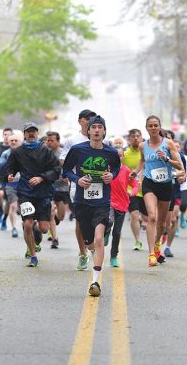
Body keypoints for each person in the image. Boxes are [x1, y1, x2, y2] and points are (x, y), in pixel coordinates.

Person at [63, 115, 120, 297]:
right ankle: (91, 247)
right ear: (88, 131)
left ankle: (95, 281)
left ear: (104, 131)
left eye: (99, 127)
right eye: (93, 127)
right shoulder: (78, 150)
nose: (96, 130)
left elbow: (117, 169)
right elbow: (65, 170)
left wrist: (112, 176)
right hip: (82, 201)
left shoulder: (110, 152)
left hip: (102, 202)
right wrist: (77, 179)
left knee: (98, 239)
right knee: (89, 245)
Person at [6, 122, 61, 267]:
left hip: (43, 193)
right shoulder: (17, 152)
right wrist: (10, 175)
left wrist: (42, 177)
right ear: (24, 134)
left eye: (34, 132)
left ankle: (37, 226)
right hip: (25, 192)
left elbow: (56, 170)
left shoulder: (46, 151)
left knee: (43, 229)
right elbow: (10, 168)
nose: (31, 134)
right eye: (28, 132)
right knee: (27, 224)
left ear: (37, 134)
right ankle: (33, 255)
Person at [132, 115, 182, 267]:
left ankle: (157, 245)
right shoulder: (143, 146)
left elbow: (179, 165)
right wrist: (136, 171)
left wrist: (166, 159)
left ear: (159, 127)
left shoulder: (168, 144)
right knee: (152, 217)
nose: (153, 128)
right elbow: (142, 160)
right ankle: (151, 254)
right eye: (150, 126)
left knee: (162, 222)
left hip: (165, 185)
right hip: (150, 183)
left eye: (155, 125)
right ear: (146, 128)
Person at [60, 109, 96, 270]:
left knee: (97, 218)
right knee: (81, 219)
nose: (90, 122)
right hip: (78, 184)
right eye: (87, 119)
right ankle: (82, 253)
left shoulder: (99, 137)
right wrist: (75, 165)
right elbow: (62, 159)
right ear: (80, 121)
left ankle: (95, 242)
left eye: (93, 119)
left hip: (98, 186)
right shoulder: (73, 140)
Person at [105, 147, 139, 267]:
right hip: (109, 202)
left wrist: (132, 192)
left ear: (123, 157)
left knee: (117, 232)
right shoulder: (107, 169)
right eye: (116, 155)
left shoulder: (126, 170)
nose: (118, 157)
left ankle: (114, 256)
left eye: (120, 155)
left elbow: (135, 185)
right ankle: (106, 231)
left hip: (123, 203)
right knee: (109, 220)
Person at [122, 129, 148, 251]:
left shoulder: (147, 153)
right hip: (132, 190)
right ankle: (137, 240)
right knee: (134, 214)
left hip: (147, 189)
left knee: (149, 218)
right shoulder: (125, 155)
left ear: (142, 138)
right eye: (133, 136)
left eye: (138, 136)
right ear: (129, 139)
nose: (136, 138)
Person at [46, 131, 70, 249]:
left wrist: (68, 177)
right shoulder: (45, 154)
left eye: (52, 141)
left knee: (60, 216)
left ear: (58, 141)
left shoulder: (63, 154)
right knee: (50, 212)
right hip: (49, 186)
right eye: (48, 140)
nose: (49, 143)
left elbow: (69, 169)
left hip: (62, 188)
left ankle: (54, 220)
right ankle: (55, 239)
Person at [0, 134, 23, 237]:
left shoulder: (25, 153)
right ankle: (14, 228)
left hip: (24, 184)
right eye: (12, 140)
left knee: (22, 207)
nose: (13, 142)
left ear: (21, 142)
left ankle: (26, 223)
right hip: (11, 184)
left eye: (16, 140)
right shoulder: (5, 153)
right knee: (13, 205)